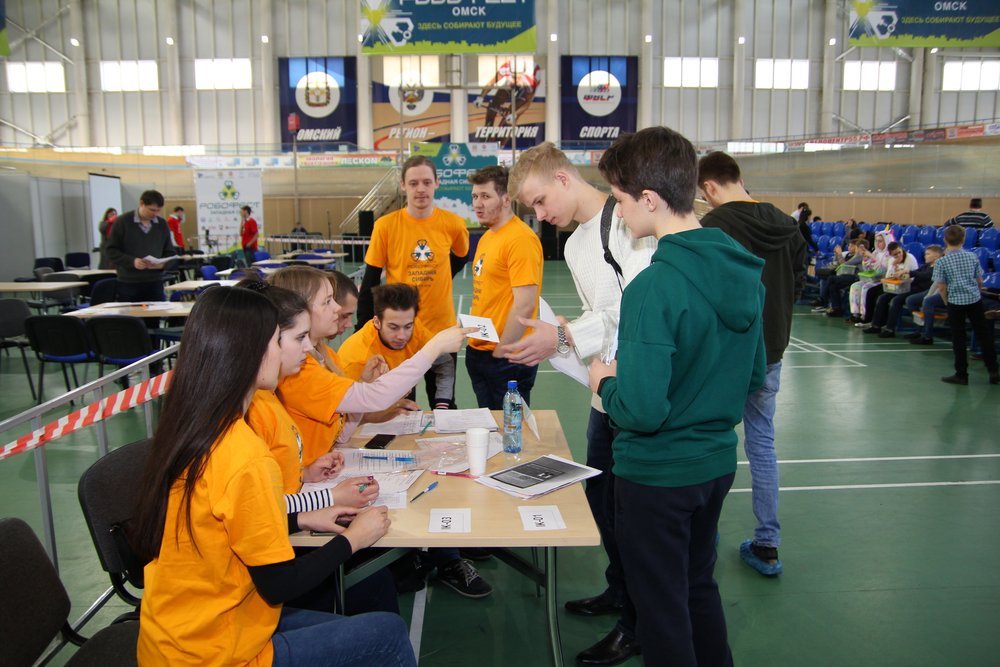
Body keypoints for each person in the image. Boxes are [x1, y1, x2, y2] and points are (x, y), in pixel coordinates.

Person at [131, 286, 415, 667]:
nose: (297, 350)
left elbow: (231, 525)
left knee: (370, 597)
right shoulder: (245, 454)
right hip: (218, 653)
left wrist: (301, 518)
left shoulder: (193, 427)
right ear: (251, 353)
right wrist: (354, 539)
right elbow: (279, 582)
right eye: (283, 341)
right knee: (388, 633)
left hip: (176, 635)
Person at [589, 126, 765, 667]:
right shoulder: (744, 271)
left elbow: (642, 410)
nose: (618, 213)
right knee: (696, 587)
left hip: (657, 476)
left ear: (649, 199)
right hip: (715, 466)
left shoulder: (654, 286)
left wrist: (605, 382)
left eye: (619, 200)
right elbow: (754, 373)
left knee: (660, 611)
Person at [504, 142, 655, 666]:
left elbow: (635, 311)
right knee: (604, 504)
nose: (540, 214)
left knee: (632, 517)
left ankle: (636, 624)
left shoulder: (627, 224)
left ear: (564, 178)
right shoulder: (572, 246)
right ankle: (620, 590)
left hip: (635, 395)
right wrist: (565, 335)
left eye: (541, 201)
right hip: (603, 394)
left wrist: (564, 336)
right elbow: (600, 318)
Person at [272, 267, 494, 600]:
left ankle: (443, 553)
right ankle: (442, 557)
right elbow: (369, 400)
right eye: (328, 302)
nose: (339, 311)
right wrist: (433, 347)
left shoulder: (323, 357)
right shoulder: (302, 371)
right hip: (307, 495)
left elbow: (342, 428)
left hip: (318, 474)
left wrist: (362, 391)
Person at [241, 279, 399, 617]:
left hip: (271, 556)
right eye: (295, 339)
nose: (306, 349)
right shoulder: (243, 436)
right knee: (380, 598)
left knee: (379, 581)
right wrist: (343, 526)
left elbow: (260, 512)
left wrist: (305, 485)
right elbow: (276, 580)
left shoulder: (265, 402)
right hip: (241, 617)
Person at [697, 150, 806, 577]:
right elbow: (797, 283)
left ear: (709, 187)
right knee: (762, 444)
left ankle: (703, 533)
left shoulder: (713, 227)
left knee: (711, 440)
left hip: (728, 354)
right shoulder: (786, 225)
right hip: (772, 350)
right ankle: (767, 544)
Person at [357, 155, 470, 409]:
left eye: (427, 182)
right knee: (401, 406)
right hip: (400, 333)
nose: (421, 189)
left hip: (441, 331)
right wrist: (363, 329)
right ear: (403, 185)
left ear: (437, 183)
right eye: (414, 183)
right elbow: (370, 281)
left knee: (444, 403)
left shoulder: (453, 224)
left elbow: (461, 256)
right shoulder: (385, 226)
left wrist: (442, 275)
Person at [465, 166, 543, 409]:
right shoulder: (488, 237)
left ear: (506, 199)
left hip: (507, 357)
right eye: (475, 196)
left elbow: (525, 304)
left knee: (510, 427)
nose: (477, 204)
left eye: (485, 196)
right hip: (480, 351)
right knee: (490, 424)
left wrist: (501, 351)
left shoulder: (520, 239)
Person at [932, 225, 999, 385]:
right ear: (963, 239)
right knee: (984, 335)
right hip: (974, 300)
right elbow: (979, 280)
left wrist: (947, 302)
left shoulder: (942, 261)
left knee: (959, 338)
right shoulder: (972, 256)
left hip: (955, 301)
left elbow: (941, 286)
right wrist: (976, 291)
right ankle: (993, 371)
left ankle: (961, 374)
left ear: (945, 240)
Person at [338, 284, 431, 383]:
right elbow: (349, 393)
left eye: (408, 327)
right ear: (377, 322)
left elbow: (441, 357)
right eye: (393, 327)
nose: (402, 336)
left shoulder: (414, 326)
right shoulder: (355, 358)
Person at [105, 190, 176, 302]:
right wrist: (132, 261)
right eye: (152, 210)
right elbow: (110, 250)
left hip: (155, 282)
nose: (155, 214)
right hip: (129, 282)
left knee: (156, 313)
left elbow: (170, 252)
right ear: (142, 204)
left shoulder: (162, 224)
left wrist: (163, 264)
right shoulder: (122, 222)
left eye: (158, 210)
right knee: (131, 313)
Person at [867, 245, 943, 338]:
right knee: (883, 297)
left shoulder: (938, 267)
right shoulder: (926, 265)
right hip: (911, 287)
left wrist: (908, 272)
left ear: (936, 256)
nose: (925, 256)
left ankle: (890, 329)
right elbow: (916, 272)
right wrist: (902, 272)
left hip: (920, 290)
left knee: (895, 300)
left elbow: (924, 275)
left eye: (928, 254)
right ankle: (876, 325)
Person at [473, 59, 542, 127]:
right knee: (496, 101)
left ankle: (505, 130)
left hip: (526, 85)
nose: (516, 80)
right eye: (513, 77)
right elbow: (492, 82)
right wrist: (481, 97)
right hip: (513, 80)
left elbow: (527, 103)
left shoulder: (531, 80)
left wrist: (514, 114)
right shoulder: (506, 68)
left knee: (514, 110)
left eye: (517, 77)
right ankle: (488, 126)